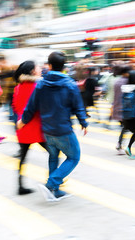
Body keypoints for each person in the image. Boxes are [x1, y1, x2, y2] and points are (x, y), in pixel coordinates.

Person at [17, 51, 88, 202]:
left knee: (54, 156)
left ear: (49, 66)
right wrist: (83, 123)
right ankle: (51, 184)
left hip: (47, 130)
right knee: (74, 157)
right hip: (63, 129)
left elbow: (31, 107)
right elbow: (78, 106)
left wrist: (22, 121)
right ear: (64, 67)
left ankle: (54, 192)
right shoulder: (70, 84)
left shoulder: (41, 84)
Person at [12, 61, 47, 195]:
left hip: (22, 127)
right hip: (37, 127)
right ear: (33, 71)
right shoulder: (38, 86)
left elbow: (15, 107)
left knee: (22, 158)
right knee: (54, 153)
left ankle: (20, 186)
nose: (40, 69)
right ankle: (53, 183)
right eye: (38, 67)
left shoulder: (18, 87)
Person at [113, 65, 131, 154]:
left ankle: (120, 144)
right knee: (126, 127)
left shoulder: (117, 81)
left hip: (117, 107)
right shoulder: (127, 81)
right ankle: (119, 144)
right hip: (124, 108)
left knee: (125, 127)